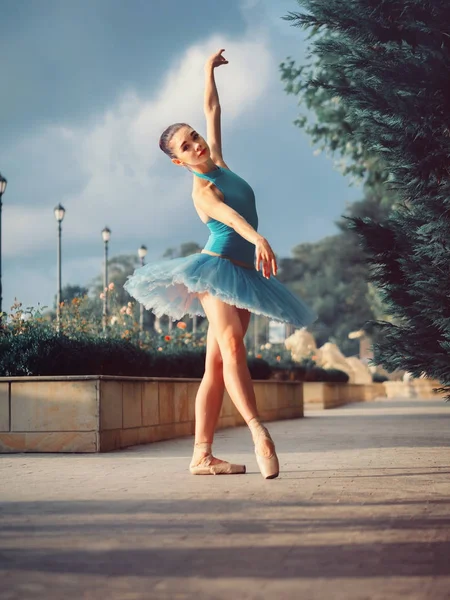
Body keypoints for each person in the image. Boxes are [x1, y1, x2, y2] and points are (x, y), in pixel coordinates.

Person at [124, 49, 317, 479]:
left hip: (244, 276)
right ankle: (258, 430)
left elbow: (212, 108)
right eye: (186, 147)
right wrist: (258, 236)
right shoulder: (203, 190)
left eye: (194, 136)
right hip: (214, 272)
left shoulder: (221, 164)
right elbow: (231, 219)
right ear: (179, 161)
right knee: (232, 348)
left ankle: (201, 455)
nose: (197, 144)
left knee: (215, 365)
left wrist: (207, 71)